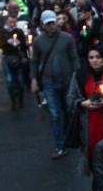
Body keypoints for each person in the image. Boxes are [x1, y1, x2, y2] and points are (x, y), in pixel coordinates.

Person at [31, 11, 79, 158]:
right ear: (43, 24)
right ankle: (60, 144)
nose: (52, 26)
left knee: (68, 111)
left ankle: (67, 137)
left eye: (53, 22)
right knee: (55, 115)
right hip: (49, 83)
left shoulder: (66, 38)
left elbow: (74, 57)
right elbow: (34, 61)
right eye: (48, 24)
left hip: (66, 81)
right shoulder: (39, 41)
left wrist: (77, 77)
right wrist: (33, 79)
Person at [67, 44, 103, 175]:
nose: (94, 60)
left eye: (98, 57)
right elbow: (70, 99)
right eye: (91, 57)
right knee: (92, 155)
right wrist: (82, 103)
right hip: (87, 124)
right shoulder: (79, 76)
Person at [0, 13, 29, 109]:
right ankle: (13, 101)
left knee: (20, 80)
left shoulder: (19, 31)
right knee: (10, 80)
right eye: (10, 22)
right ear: (6, 21)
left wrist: (20, 44)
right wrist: (7, 42)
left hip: (17, 58)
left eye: (14, 22)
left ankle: (20, 99)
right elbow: (0, 45)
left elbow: (24, 46)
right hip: (7, 57)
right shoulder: (3, 32)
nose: (12, 24)